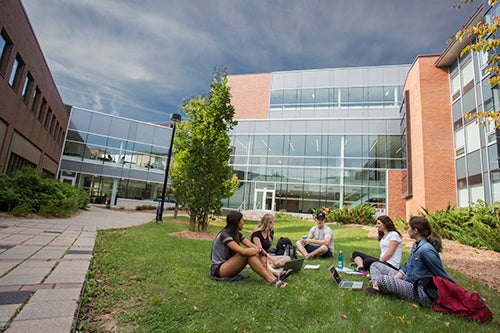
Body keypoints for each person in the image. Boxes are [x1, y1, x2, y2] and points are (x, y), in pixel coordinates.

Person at [366, 216, 454, 303]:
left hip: (418, 289)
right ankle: (377, 288)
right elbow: (407, 266)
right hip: (406, 279)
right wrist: (394, 278)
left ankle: (380, 286)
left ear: (415, 230)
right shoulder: (416, 245)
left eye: (409, 227)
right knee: (375, 265)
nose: (407, 230)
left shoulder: (426, 250)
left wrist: (459, 292)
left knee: (383, 280)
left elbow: (441, 273)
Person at [210, 211, 287, 288]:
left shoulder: (237, 234)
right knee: (247, 254)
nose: (243, 223)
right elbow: (242, 252)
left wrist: (262, 254)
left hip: (229, 265)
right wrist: (258, 251)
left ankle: (273, 278)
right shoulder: (225, 235)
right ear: (237, 222)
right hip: (218, 270)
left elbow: (252, 245)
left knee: (251, 253)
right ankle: (271, 280)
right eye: (242, 220)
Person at [251, 213, 293, 280]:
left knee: (288, 258)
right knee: (265, 261)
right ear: (269, 223)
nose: (274, 224)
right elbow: (260, 249)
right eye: (273, 222)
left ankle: (272, 265)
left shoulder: (270, 233)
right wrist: (271, 258)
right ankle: (278, 273)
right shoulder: (256, 234)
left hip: (268, 255)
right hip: (258, 255)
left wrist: (271, 259)